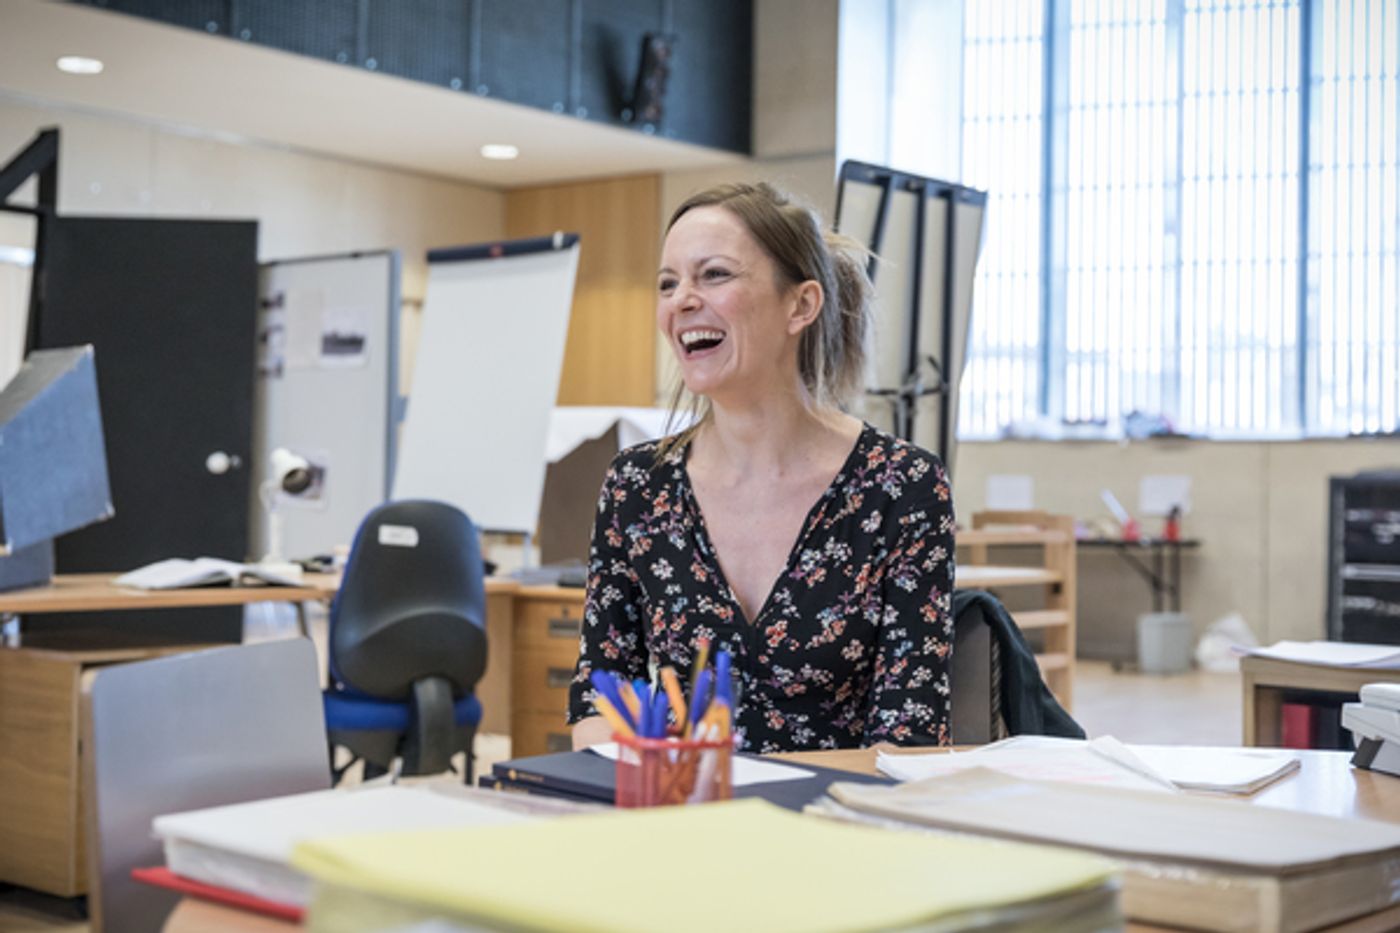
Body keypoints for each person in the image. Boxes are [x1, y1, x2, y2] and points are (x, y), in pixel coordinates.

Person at [567, 182, 955, 754]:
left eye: (714, 275)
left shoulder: (902, 487)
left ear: (800, 304)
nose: (681, 301)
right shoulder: (637, 487)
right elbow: (602, 696)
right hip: (682, 817)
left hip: (838, 824)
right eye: (668, 283)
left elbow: (910, 736)